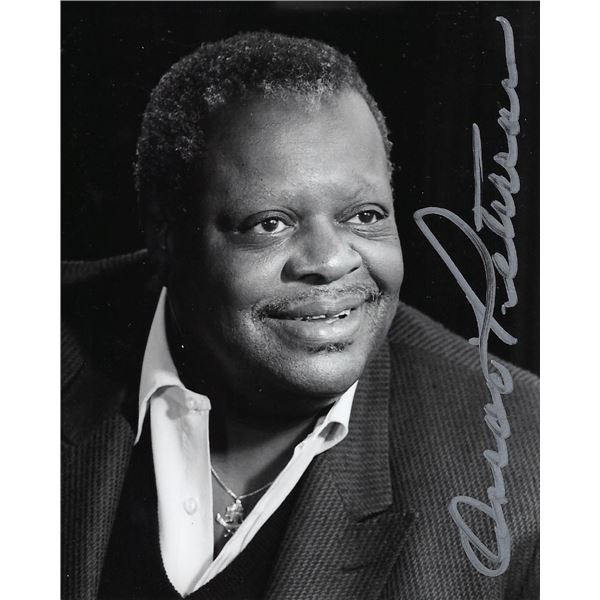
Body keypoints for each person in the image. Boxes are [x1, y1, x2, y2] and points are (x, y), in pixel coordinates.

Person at [61, 32, 539, 600]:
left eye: (365, 215)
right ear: (166, 238)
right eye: (270, 223)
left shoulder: (527, 463)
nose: (332, 262)